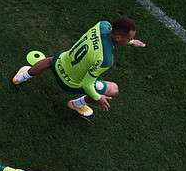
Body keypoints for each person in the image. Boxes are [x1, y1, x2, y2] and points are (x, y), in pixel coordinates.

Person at [11, 16, 146, 117]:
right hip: (69, 84)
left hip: (59, 63)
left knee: (49, 60)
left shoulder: (102, 25)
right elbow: (87, 85)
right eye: (129, 38)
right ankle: (76, 104)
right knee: (113, 89)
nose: (130, 40)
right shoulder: (106, 59)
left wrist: (131, 42)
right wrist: (98, 98)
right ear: (118, 38)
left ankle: (21, 77)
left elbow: (109, 34)